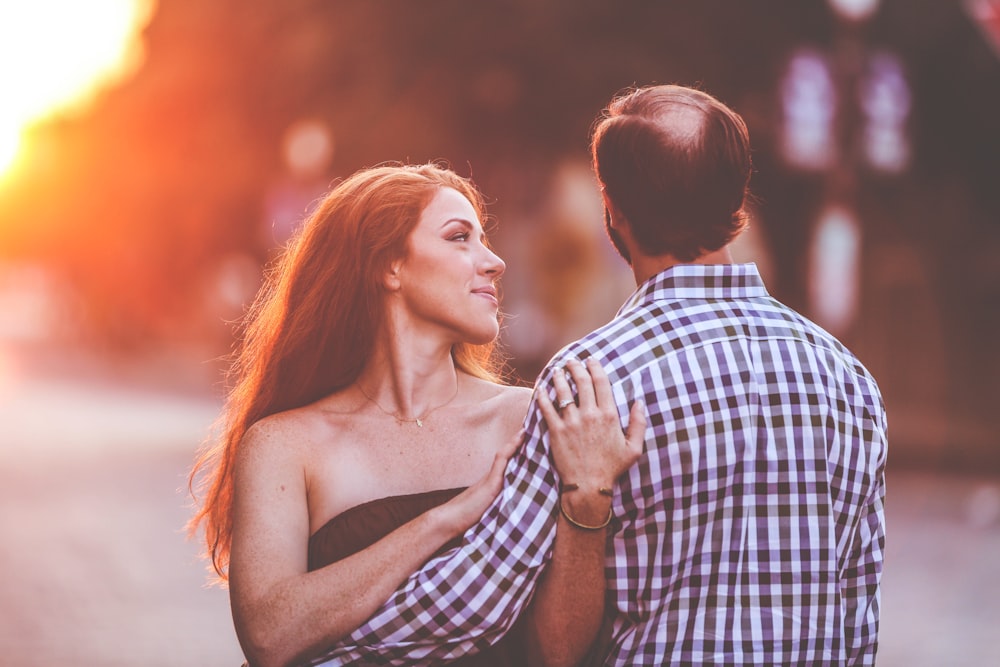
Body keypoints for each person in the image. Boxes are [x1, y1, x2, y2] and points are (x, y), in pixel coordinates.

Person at [313, 85, 888, 666]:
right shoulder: (850, 382)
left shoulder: (592, 382)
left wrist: (323, 653)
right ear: (736, 199)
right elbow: (859, 618)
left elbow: (484, 599)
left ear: (612, 208)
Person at [186, 162, 646, 667]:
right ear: (389, 266)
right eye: (458, 238)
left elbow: (557, 655)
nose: (494, 262)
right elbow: (270, 637)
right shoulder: (284, 444)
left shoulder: (528, 419)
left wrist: (588, 503)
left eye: (484, 239)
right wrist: (442, 522)